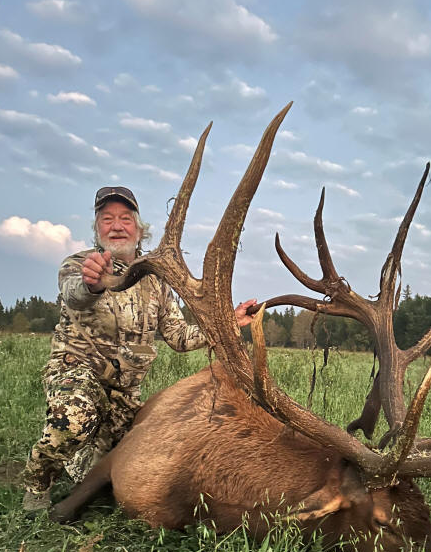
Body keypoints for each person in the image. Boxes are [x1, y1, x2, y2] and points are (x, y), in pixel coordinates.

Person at [22, 185, 256, 513]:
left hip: (123, 394)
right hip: (77, 374)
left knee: (133, 463)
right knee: (75, 418)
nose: (116, 226)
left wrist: (227, 323)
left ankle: (81, 455)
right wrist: (92, 284)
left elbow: (179, 336)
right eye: (107, 219)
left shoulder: (155, 281)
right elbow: (75, 294)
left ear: (138, 227)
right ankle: (37, 482)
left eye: (124, 218)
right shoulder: (79, 265)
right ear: (97, 227)